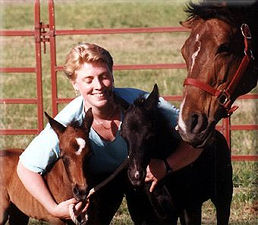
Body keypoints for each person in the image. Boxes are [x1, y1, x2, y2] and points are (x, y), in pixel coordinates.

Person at [17, 43, 203, 223]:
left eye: (104, 76)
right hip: (99, 184)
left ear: (112, 76)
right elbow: (25, 168)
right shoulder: (69, 124)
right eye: (88, 80)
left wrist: (167, 166)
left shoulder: (143, 105)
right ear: (75, 84)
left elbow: (197, 137)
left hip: (145, 176)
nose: (98, 86)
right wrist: (53, 208)